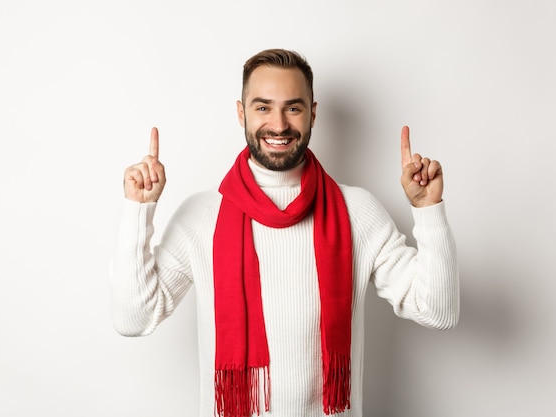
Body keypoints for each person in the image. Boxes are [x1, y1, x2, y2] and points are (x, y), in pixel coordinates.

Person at [110, 48, 459, 417]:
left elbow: (438, 310)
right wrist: (138, 209)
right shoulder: (201, 217)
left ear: (313, 113)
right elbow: (134, 318)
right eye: (262, 107)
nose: (278, 125)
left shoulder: (357, 211)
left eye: (293, 108)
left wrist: (428, 209)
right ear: (241, 113)